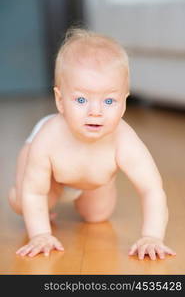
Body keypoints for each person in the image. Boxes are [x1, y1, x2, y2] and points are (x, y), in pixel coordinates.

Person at [9, 28, 176, 260]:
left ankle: (100, 182)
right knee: (28, 203)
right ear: (60, 100)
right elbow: (34, 192)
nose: (95, 112)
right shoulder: (47, 138)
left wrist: (152, 236)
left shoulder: (124, 139)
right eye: (81, 99)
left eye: (109, 100)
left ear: (124, 103)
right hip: (50, 177)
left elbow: (152, 189)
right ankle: (34, 197)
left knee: (98, 215)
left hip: (91, 177)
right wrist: (40, 234)